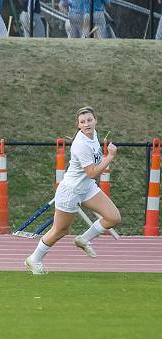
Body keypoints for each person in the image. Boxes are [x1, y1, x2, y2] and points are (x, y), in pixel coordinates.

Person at [25, 106, 122, 275]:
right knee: (61, 230)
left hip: (87, 187)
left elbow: (90, 175)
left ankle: (83, 239)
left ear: (95, 120)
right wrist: (110, 157)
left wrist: (106, 157)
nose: (87, 124)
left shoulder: (94, 134)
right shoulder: (80, 145)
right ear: (78, 125)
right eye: (82, 122)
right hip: (71, 191)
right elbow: (92, 172)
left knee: (113, 218)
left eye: (89, 120)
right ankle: (34, 259)